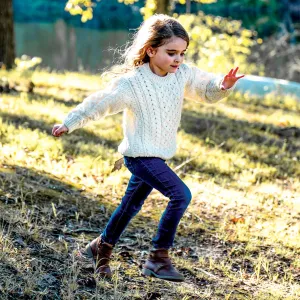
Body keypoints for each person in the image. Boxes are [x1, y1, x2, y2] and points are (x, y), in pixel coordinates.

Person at [52, 14, 245, 282]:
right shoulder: (132, 82)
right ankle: (158, 258)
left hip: (159, 155)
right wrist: (69, 122)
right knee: (181, 195)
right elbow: (100, 103)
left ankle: (101, 248)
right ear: (151, 50)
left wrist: (222, 85)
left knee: (130, 206)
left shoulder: (182, 74)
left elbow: (205, 88)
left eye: (182, 53)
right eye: (171, 53)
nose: (178, 59)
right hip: (139, 155)